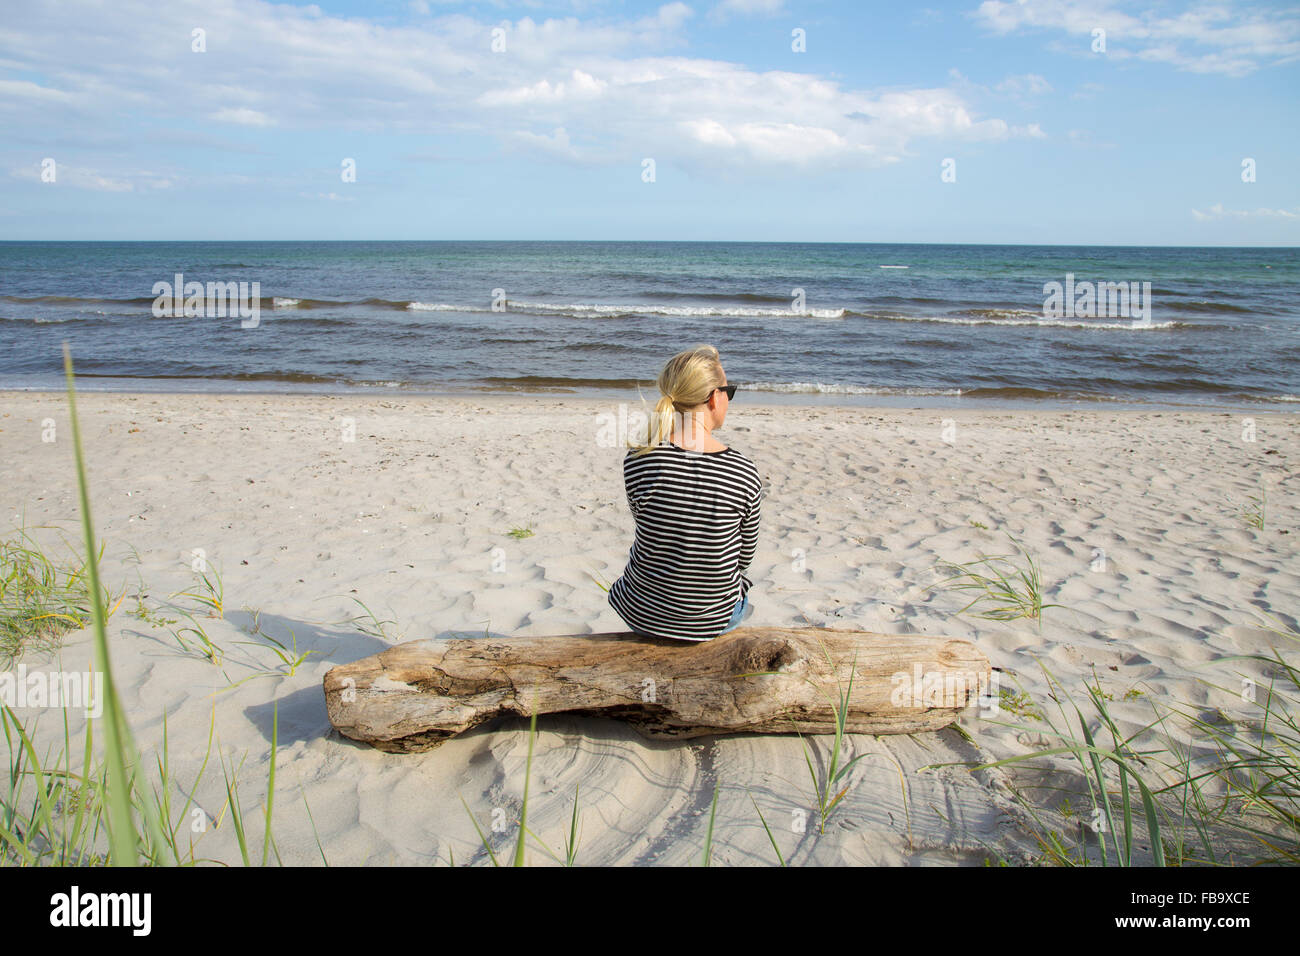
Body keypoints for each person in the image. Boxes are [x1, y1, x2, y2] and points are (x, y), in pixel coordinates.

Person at [607, 344, 766, 641]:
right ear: (713, 398)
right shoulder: (743, 472)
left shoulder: (640, 459)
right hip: (711, 620)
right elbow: (744, 558)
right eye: (728, 392)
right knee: (743, 598)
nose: (728, 399)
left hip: (643, 612)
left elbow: (648, 525)